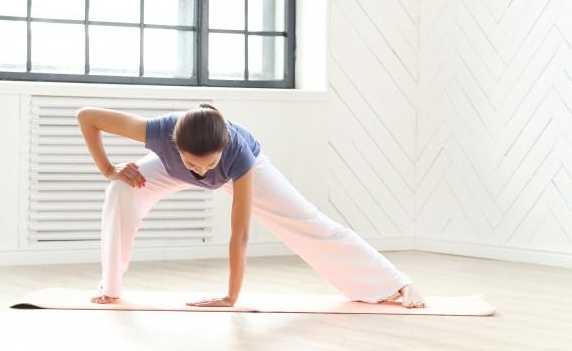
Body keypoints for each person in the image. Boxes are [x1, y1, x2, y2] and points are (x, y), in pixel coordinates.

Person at [76, 103, 426, 308]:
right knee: (121, 191)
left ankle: (394, 283)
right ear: (172, 144)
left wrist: (231, 296)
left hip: (238, 172)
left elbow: (240, 233)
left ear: (223, 148)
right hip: (170, 170)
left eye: (207, 164)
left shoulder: (238, 157)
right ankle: (110, 287)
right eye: (193, 164)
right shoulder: (156, 132)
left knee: (307, 221)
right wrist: (109, 169)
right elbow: (87, 116)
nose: (200, 173)